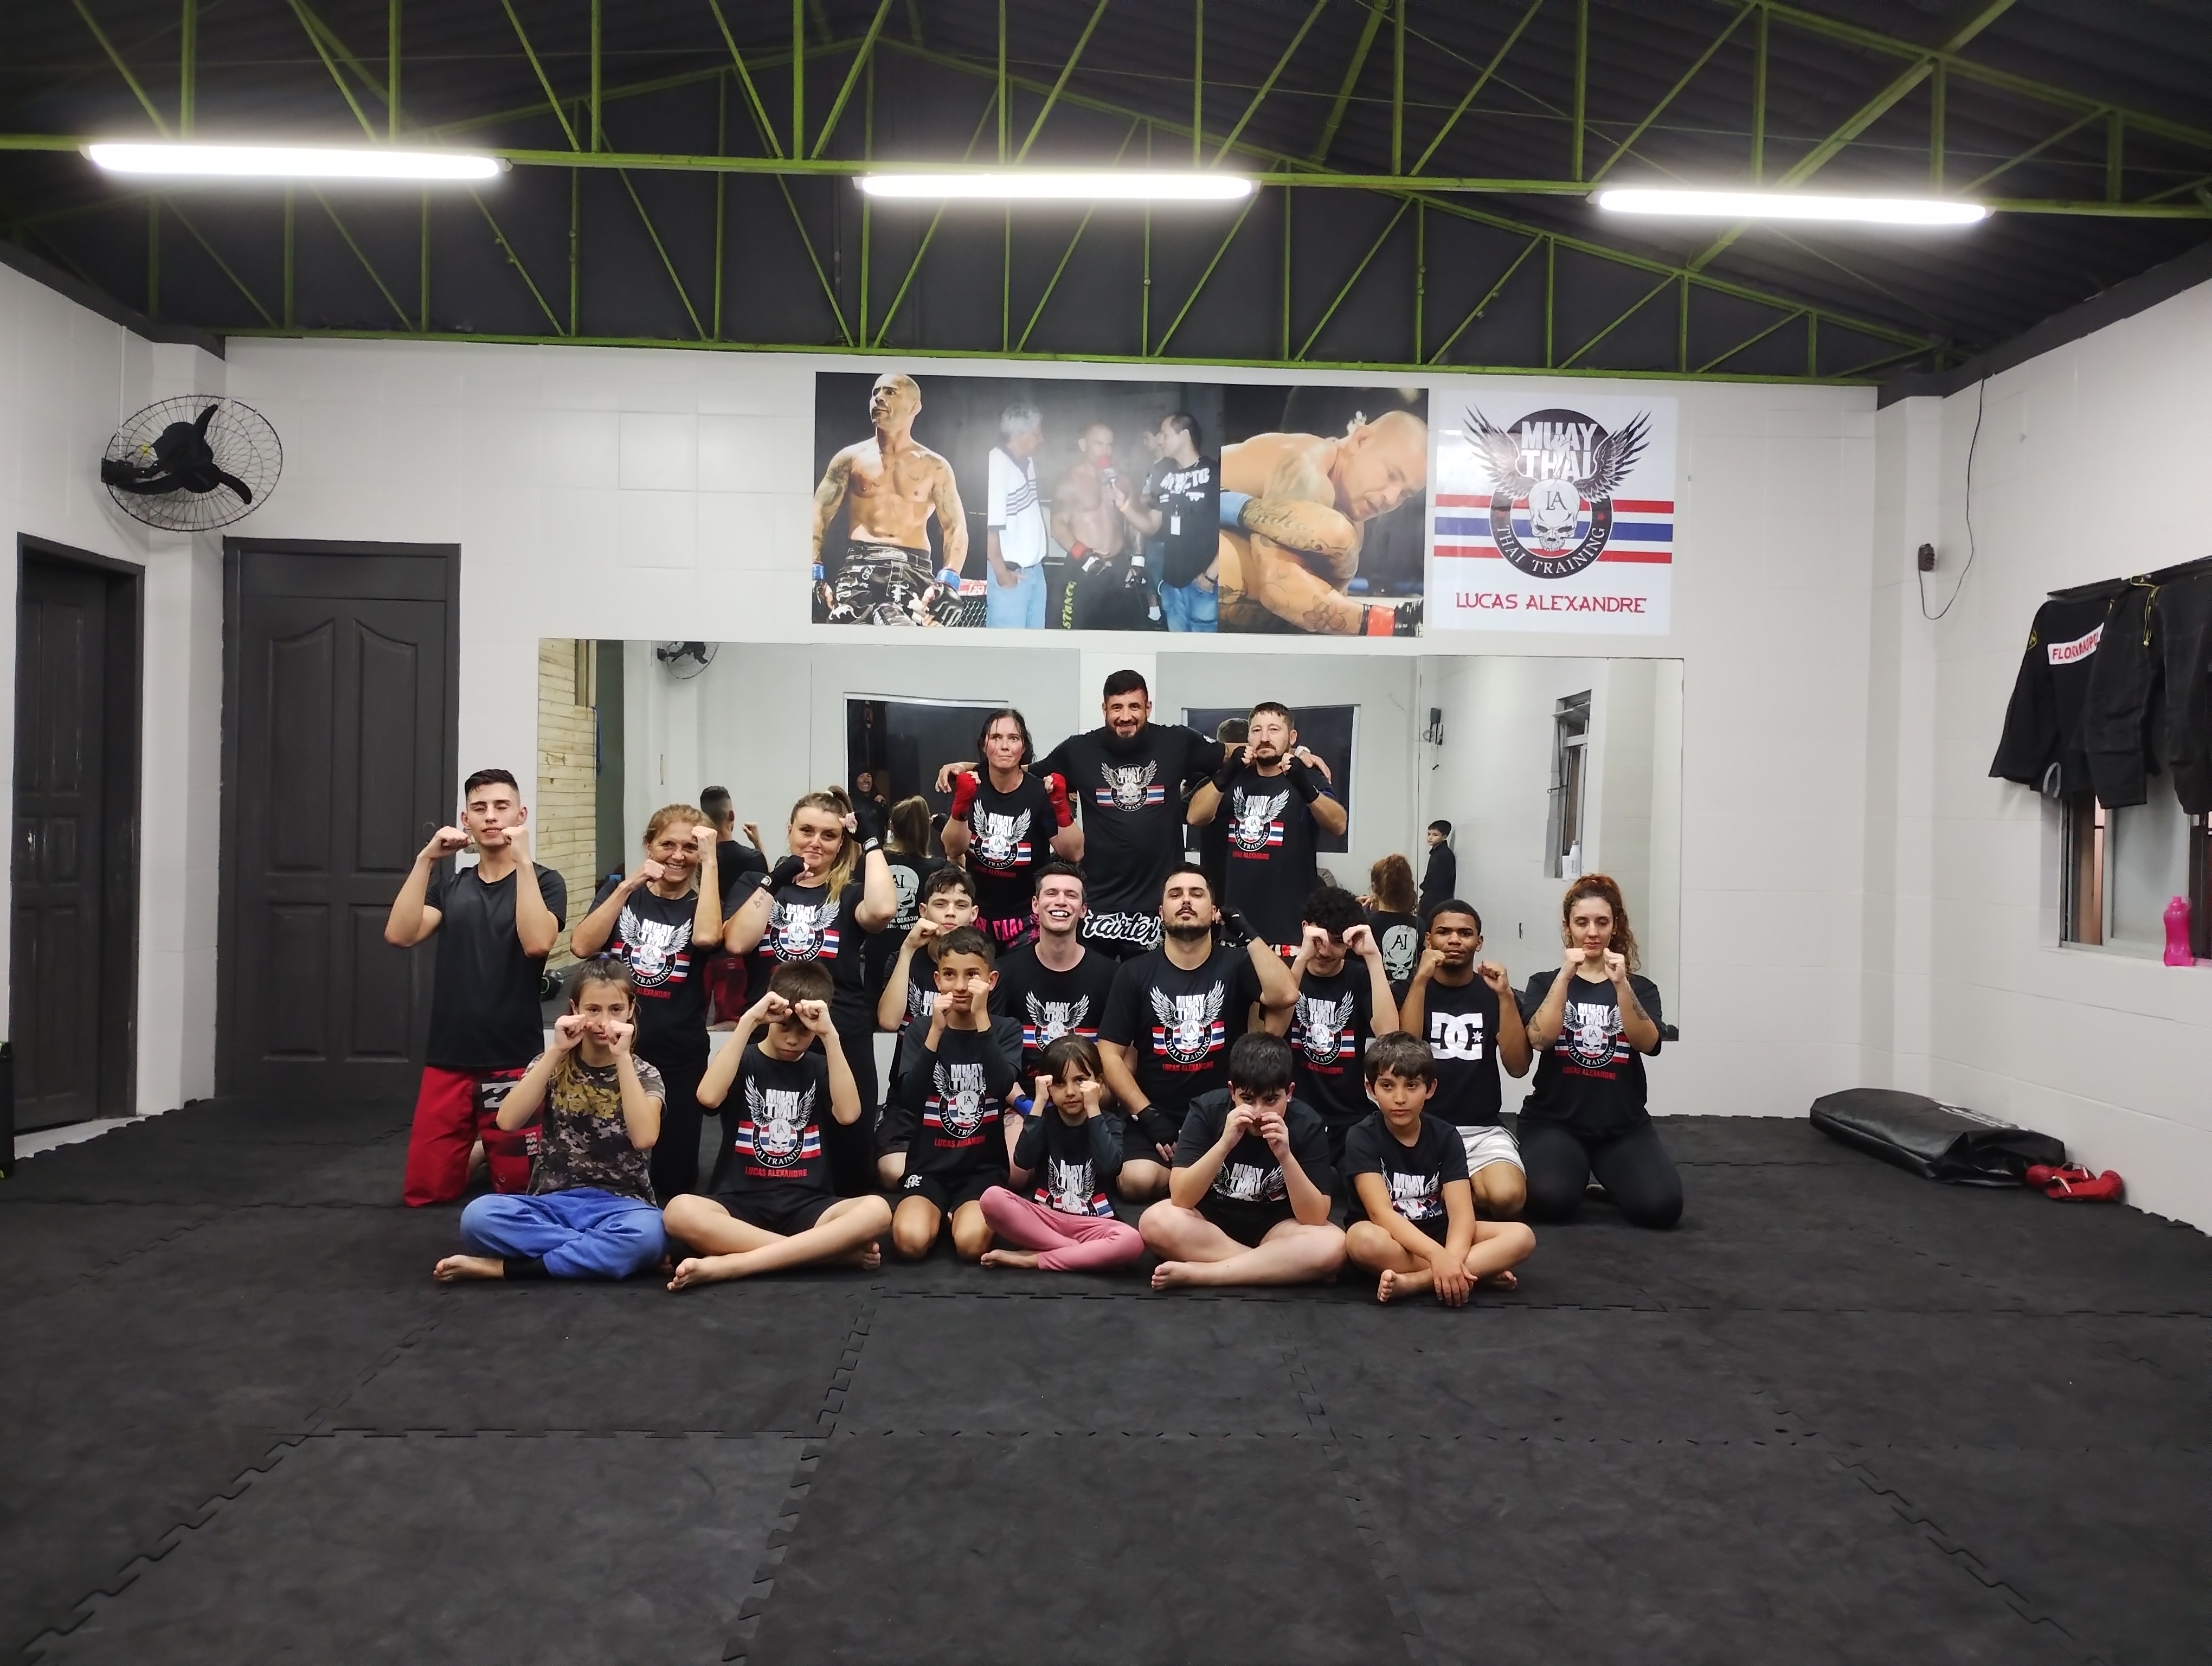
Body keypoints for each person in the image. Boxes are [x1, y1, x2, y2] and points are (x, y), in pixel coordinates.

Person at [386, 768, 568, 1208]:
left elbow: (537, 943)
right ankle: (479, 1149)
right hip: (450, 1056)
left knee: (520, 1193)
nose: (491, 816)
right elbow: (401, 934)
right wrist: (426, 860)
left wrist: (523, 861)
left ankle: (489, 1146)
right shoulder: (451, 887)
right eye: (480, 808)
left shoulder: (545, 881)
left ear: (521, 815)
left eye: (502, 807)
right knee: (426, 1194)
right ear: (466, 820)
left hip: (513, 1058)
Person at [433, 958, 666, 1281]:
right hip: (552, 1204)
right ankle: (600, 1254)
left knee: (648, 1234)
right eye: (593, 1010)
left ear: (630, 1010)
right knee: (478, 1218)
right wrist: (556, 1051)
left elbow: (645, 1138)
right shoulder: (553, 1063)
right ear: (575, 1009)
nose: (604, 1022)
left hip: (623, 1206)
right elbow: (508, 1121)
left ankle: (505, 1269)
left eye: (615, 1009)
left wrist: (622, 1058)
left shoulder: (644, 1073)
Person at [661, 963, 894, 1287]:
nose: (793, 1040)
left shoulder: (821, 1066)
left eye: (804, 1032)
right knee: (678, 1211)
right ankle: (821, 1255)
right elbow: (708, 1097)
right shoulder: (743, 1059)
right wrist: (748, 1021)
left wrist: (830, 1035)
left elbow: (849, 1115)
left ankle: (734, 1264)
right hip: (740, 1202)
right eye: (784, 1027)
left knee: (878, 1210)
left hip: (808, 1204)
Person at [723, 789, 898, 1193]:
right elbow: (738, 942)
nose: (816, 842)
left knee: (849, 1147)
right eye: (806, 831)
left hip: (839, 1032)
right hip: (772, 1032)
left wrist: (871, 842)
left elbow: (883, 910)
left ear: (841, 843)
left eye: (829, 835)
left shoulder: (850, 891)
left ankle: (841, 1215)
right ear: (789, 830)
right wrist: (775, 881)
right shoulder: (756, 884)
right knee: (768, 1139)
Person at [1097, 866, 1298, 1202]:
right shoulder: (1134, 972)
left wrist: (1247, 933)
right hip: (1158, 1112)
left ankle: (1193, 1179)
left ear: (1214, 910)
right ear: (1161, 911)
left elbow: (1286, 994)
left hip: (1223, 1113)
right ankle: (1194, 1181)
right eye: (1175, 894)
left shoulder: (1236, 964)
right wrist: (1147, 1114)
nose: (1186, 901)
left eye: (1197, 894)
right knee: (1136, 1181)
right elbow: (1109, 1053)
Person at [568, 805, 722, 1201]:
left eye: (690, 847)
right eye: (667, 844)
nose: (678, 856)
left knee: (675, 1182)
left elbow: (707, 938)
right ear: (649, 846)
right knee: (602, 1171)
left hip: (678, 1054)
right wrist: (627, 887)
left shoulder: (703, 905)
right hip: (611, 1050)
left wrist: (710, 862)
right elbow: (582, 946)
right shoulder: (622, 895)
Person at [1516, 875, 1681, 1229]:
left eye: (1602, 922)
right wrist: (1565, 977)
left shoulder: (1640, 988)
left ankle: (1611, 1180)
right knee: (1550, 1202)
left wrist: (1621, 984)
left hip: (1621, 1127)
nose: (1592, 932)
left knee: (1662, 1209)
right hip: (1555, 1123)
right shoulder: (1544, 982)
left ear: (1615, 926)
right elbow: (1540, 1040)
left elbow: (1647, 1043)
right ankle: (1573, 1174)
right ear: (1568, 927)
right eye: (1582, 922)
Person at [1138, 1033, 1345, 1290]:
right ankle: (1277, 1267)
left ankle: (1206, 1274)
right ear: (1232, 1091)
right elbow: (1181, 1197)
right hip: (1210, 1225)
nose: (1258, 1113)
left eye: (1271, 1100)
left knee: (1334, 1244)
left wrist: (1286, 1156)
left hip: (1276, 1228)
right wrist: (1224, 1144)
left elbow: (1315, 1217)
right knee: (1155, 1220)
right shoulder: (1207, 1110)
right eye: (1247, 1099)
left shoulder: (1307, 1123)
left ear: (1289, 1093)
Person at [1341, 1034, 1536, 1305]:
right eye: (1387, 1086)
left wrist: (1448, 1257)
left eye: (1412, 1086)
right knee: (1361, 1240)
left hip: (1439, 1232)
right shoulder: (1361, 1136)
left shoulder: (1446, 1136)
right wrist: (1438, 1257)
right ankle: (1472, 1273)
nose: (1400, 1098)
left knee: (1522, 1236)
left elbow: (1462, 1215)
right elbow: (1381, 1213)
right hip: (1391, 1237)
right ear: (1371, 1089)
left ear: (1430, 1088)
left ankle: (1418, 1282)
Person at [1214, 411, 1427, 636]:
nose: (1391, 498)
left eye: (1405, 494)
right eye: (1391, 475)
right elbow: (1279, 591)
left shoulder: (1351, 517)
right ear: (1361, 440)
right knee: (1333, 535)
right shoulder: (1307, 468)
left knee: (1336, 548)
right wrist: (1390, 623)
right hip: (1189, 527)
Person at [890, 926, 1023, 1261]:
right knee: (909, 1242)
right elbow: (911, 1098)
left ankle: (957, 1218)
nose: (960, 986)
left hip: (982, 1170)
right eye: (950, 975)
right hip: (928, 1167)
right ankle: (939, 1215)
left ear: (991, 980)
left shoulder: (1006, 1029)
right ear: (937, 980)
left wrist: (981, 1018)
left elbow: (1001, 1085)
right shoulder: (922, 1029)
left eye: (972, 975)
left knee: (970, 1245)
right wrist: (936, 1030)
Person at [1399, 901, 1532, 1216]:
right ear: (1428, 939)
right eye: (1444, 932)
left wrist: (1505, 996)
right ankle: (1455, 1191)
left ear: (1479, 942)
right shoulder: (1408, 989)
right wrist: (1421, 980)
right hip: (1419, 1125)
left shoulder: (1496, 994)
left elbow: (1518, 1067)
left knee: (1508, 1197)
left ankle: (1451, 1191)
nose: (1454, 940)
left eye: (1465, 933)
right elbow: (1404, 1055)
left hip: (1481, 1129)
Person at [1186, 701, 1346, 954]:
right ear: (1249, 737)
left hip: (1289, 931)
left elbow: (1338, 824)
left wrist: (1305, 787)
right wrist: (1227, 774)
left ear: (1291, 737)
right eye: (1257, 730)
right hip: (1237, 930)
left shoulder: (1309, 776)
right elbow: (1195, 817)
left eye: (1274, 730)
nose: (1264, 738)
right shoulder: (1236, 777)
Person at [811, 372, 968, 626]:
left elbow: (956, 526)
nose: (879, 398)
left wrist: (949, 580)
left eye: (890, 392)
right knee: (845, 640)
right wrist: (813, 571)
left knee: (907, 643)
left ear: (914, 407)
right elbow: (819, 513)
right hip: (860, 563)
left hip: (914, 567)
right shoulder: (850, 459)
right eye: (875, 392)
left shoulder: (935, 467)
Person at [872, 866, 995, 1188]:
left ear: (974, 914)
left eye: (960, 905)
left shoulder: (986, 971)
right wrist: (907, 950)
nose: (950, 913)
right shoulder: (905, 959)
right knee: (893, 1172)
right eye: (941, 904)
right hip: (911, 1093)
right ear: (923, 911)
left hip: (968, 1095)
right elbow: (888, 1021)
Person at [978, 1036, 1144, 1272]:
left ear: (1098, 1083)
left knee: (1132, 1241)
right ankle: (1076, 1252)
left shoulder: (1108, 1122)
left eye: (1080, 1081)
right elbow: (1023, 1159)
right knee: (992, 1198)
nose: (1071, 1092)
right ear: (1047, 1086)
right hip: (1046, 1219)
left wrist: (1094, 1109)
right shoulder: (1044, 1120)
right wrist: (1038, 1103)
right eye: (1059, 1083)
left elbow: (1110, 1166)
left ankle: (1034, 1259)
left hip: (1094, 1223)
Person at [1283, 886, 1403, 1174]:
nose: (1326, 951)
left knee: (1361, 1185)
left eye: (1337, 942)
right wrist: (1301, 959)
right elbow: (1271, 1031)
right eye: (1319, 940)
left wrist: (1373, 957)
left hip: (1349, 1116)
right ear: (1306, 930)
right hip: (1293, 1112)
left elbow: (1389, 1034)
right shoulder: (1287, 973)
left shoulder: (1359, 977)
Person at [942, 709, 1081, 949]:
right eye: (996, 738)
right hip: (977, 914)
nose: (1005, 746)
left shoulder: (1038, 793)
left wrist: (1060, 805)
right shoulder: (972, 784)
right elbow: (953, 849)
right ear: (984, 745)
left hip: (1025, 918)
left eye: (1013, 738)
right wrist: (961, 806)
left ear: (1023, 746)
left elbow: (1074, 853)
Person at [992, 862, 1120, 1077]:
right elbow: (993, 1056)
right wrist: (1021, 1098)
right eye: (1052, 893)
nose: (1061, 901)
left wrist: (1098, 1096)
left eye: (1071, 895)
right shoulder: (1004, 972)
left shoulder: (1112, 976)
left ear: (1083, 909)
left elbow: (1121, 1058)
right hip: (1021, 1095)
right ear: (1035, 905)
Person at [1115, 411, 1219, 633]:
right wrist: (1124, 506)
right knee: (1176, 649)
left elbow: (1230, 530)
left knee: (1204, 650)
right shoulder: (1163, 473)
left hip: (1204, 585)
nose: (1160, 440)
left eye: (1165, 434)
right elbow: (1151, 525)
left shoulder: (1214, 473)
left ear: (1185, 435)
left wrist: (1211, 576)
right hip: (1171, 583)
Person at [1054, 421, 1156, 631]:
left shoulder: (1122, 481)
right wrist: (1084, 555)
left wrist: (1138, 560)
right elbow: (1057, 525)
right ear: (1083, 445)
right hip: (1083, 567)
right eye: (1099, 444)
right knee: (1077, 633)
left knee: (1123, 632)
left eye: (1110, 445)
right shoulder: (1069, 481)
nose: (1105, 450)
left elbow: (1135, 522)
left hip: (1119, 568)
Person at [868, 794, 945, 1014]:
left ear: (892, 826)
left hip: (877, 952)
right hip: (919, 955)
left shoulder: (874, 861)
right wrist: (945, 830)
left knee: (874, 1013)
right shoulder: (938, 866)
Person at [985, 404, 1051, 629]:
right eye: (1037, 433)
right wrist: (1002, 573)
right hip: (1011, 575)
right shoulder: (996, 464)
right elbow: (990, 528)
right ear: (1021, 435)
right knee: (1008, 647)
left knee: (1034, 644)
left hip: (1034, 573)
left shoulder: (1027, 462)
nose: (1041, 439)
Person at [1192, 717, 1246, 900]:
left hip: (1218, 886)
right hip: (1222, 884)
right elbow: (1187, 814)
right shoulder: (1209, 783)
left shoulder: (1209, 784)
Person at [1364, 853, 1423, 1001]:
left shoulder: (1366, 925)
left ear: (1374, 888)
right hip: (1410, 996)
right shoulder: (1419, 924)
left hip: (1373, 996)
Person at [700, 785, 769, 907]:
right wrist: (758, 845)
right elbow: (768, 890)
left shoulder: (698, 859)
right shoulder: (753, 859)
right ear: (731, 816)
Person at [1418, 822, 1457, 917]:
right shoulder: (1437, 853)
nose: (1430, 838)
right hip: (1432, 897)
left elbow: (1440, 881)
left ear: (1444, 837)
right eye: (1429, 834)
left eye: (1435, 835)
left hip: (1436, 900)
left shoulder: (1444, 854)